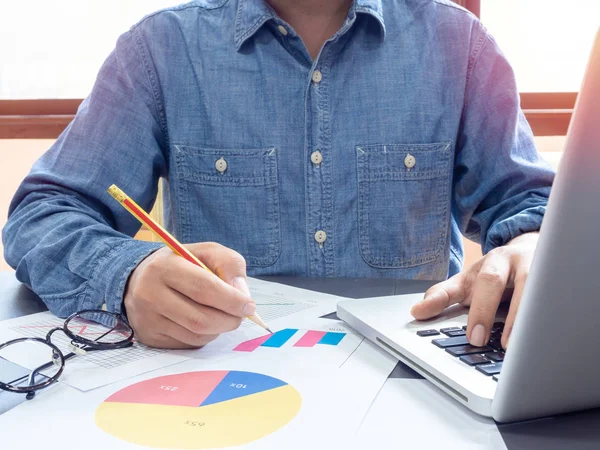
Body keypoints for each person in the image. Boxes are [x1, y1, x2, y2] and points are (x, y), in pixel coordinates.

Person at [2, 0, 554, 350]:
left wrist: (536, 245)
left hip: (411, 376)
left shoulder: (461, 46)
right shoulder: (160, 49)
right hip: (220, 374)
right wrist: (127, 276)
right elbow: (42, 214)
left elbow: (532, 206)